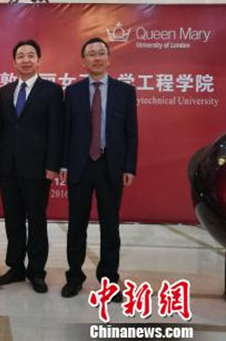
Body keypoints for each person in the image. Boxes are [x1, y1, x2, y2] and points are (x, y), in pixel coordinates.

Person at [60, 37, 138, 301]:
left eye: (101, 53)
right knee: (76, 226)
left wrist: (129, 166)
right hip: (80, 166)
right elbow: (66, 131)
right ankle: (74, 277)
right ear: (83, 61)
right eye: (91, 54)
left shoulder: (125, 91)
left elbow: (131, 133)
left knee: (110, 227)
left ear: (108, 58)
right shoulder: (72, 92)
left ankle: (109, 281)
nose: (96, 57)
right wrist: (63, 163)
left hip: (110, 166)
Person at [0, 39, 63, 293]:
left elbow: (56, 130)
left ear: (39, 60)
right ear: (14, 62)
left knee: (36, 220)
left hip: (37, 168)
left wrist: (53, 164)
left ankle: (36, 271)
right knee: (13, 219)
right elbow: (0, 128)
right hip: (8, 166)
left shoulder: (52, 91)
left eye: (30, 55)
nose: (25, 60)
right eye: (20, 56)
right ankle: (16, 267)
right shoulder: (6, 90)